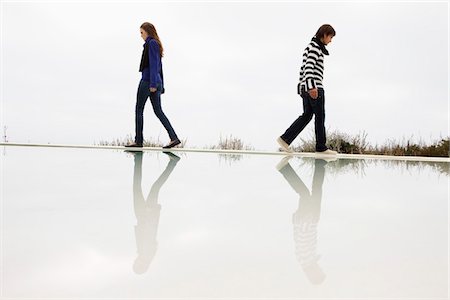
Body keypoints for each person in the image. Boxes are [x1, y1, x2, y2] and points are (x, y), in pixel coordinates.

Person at [277, 24, 337, 155]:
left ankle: (285, 139)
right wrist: (311, 87)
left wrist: (302, 88)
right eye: (330, 37)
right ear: (325, 35)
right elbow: (309, 67)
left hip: (307, 87)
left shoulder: (310, 47)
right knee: (320, 116)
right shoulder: (315, 48)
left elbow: (302, 69)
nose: (331, 41)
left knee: (307, 115)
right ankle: (321, 147)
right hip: (314, 87)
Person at [126, 22, 181, 149]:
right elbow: (160, 67)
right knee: (158, 111)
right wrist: (161, 84)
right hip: (155, 82)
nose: (141, 35)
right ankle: (174, 138)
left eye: (142, 33)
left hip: (148, 81)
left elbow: (155, 65)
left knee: (139, 109)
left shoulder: (151, 44)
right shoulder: (154, 44)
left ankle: (138, 141)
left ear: (148, 32)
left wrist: (153, 84)